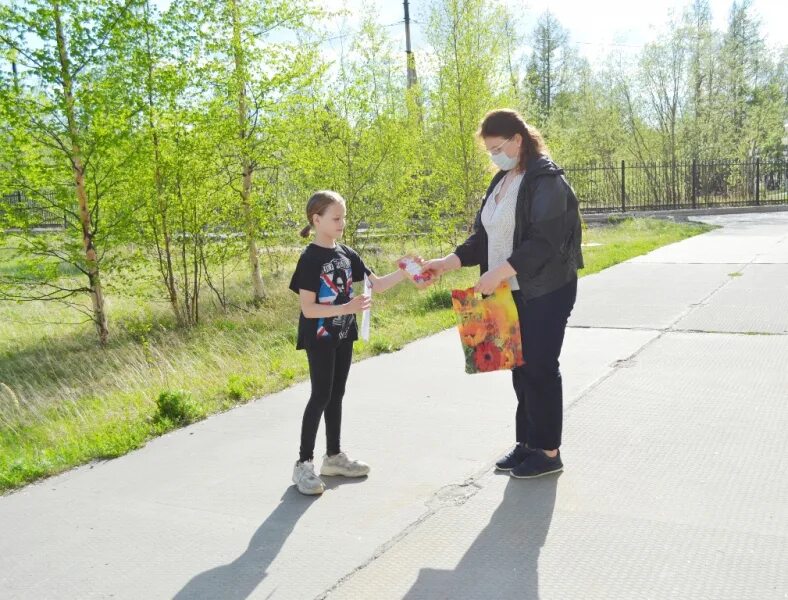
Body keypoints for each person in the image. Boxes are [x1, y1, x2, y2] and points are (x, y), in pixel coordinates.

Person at [421, 109, 583, 479]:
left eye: (498, 147)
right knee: (519, 368)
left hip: (545, 290)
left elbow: (544, 242)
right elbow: (484, 237)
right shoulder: (503, 180)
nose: (495, 155)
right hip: (508, 291)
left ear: (517, 140)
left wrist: (499, 273)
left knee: (540, 368)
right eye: (490, 150)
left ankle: (548, 451)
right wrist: (447, 261)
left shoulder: (546, 180)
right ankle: (527, 442)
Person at [289, 190, 407, 495]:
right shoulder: (310, 259)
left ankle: (334, 458)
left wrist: (406, 272)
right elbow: (308, 309)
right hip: (320, 337)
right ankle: (303, 465)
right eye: (336, 218)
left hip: (343, 334)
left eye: (344, 217)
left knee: (336, 394)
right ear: (317, 220)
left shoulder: (346, 253)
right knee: (320, 396)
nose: (343, 223)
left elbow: (376, 284)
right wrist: (346, 308)